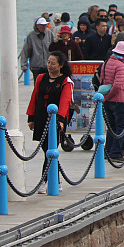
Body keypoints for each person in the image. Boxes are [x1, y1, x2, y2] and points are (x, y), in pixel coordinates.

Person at [27, 51, 74, 191]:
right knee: (46, 150)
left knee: (50, 149)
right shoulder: (41, 78)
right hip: (41, 117)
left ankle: (44, 180)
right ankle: (56, 180)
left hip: (55, 120)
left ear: (60, 65)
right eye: (48, 62)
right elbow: (35, 97)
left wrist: (60, 119)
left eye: (53, 63)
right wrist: (31, 117)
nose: (49, 65)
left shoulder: (66, 81)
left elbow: (65, 101)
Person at [97, 41, 124, 160]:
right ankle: (116, 152)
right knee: (121, 126)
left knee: (111, 126)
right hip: (120, 98)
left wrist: (106, 97)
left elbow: (102, 79)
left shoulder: (107, 62)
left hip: (108, 99)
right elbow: (118, 85)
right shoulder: (120, 65)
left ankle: (108, 150)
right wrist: (110, 95)